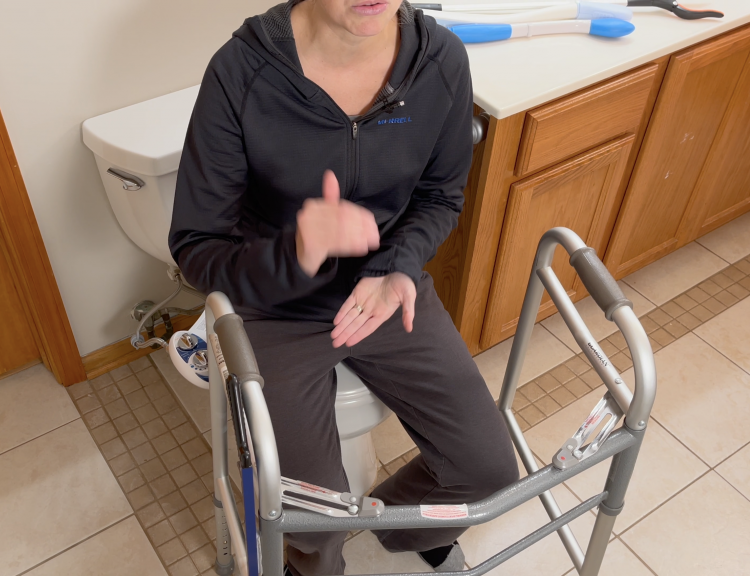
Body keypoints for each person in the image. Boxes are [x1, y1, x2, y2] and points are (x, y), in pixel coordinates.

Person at [169, 1, 519, 574]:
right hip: (274, 307)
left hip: (384, 288)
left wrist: (397, 267)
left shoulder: (441, 62)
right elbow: (196, 247)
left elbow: (440, 195)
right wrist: (297, 254)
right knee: (312, 515)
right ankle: (313, 562)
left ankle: (402, 528)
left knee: (487, 474)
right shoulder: (241, 72)